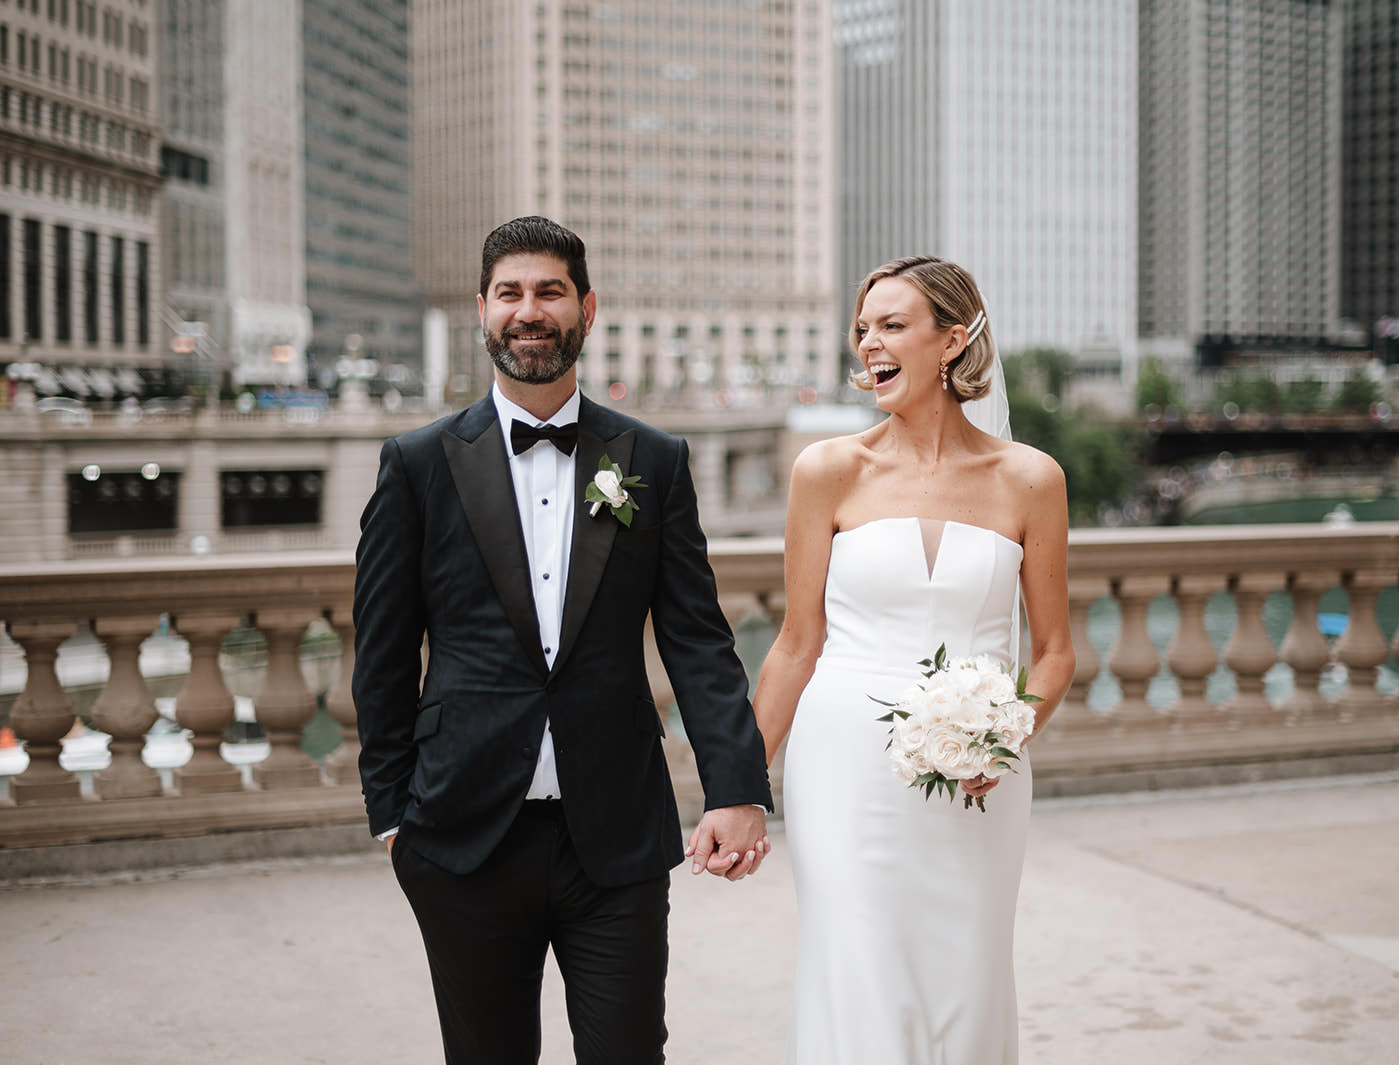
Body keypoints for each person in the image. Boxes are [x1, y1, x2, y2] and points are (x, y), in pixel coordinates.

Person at [352, 216, 773, 1065]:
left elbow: (697, 638)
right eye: (510, 293)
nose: (528, 310)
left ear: (586, 307)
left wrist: (737, 788)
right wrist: (393, 815)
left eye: (548, 291)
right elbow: (383, 653)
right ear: (482, 310)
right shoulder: (417, 463)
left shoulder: (653, 457)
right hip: (461, 830)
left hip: (614, 835)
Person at [754, 256, 1076, 1064]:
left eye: (892, 325)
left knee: (966, 978)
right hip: (842, 769)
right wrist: (736, 783)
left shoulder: (1032, 479)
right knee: (857, 966)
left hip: (981, 778)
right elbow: (796, 644)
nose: (869, 344)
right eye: (862, 329)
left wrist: (1005, 737)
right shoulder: (827, 471)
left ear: (952, 341)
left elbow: (1055, 653)